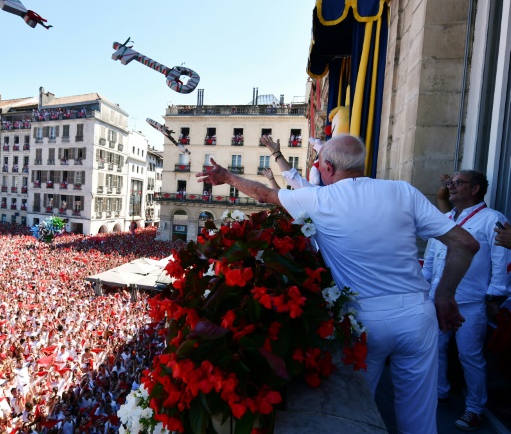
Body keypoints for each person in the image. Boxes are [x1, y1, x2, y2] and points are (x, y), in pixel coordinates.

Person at [197, 134, 479, 434]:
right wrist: (445, 296)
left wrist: (226, 175)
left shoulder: (318, 199)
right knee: (420, 423)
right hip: (417, 317)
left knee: (356, 418)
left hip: (362, 323)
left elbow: (263, 193)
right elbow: (465, 244)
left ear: (328, 167)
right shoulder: (402, 191)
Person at [423, 170, 510, 430]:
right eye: (451, 182)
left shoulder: (493, 219)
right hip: (438, 300)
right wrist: (424, 287)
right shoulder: (445, 219)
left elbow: (501, 260)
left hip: (471, 302)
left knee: (469, 356)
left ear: (475, 189)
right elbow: (430, 258)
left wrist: (495, 295)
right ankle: (440, 391)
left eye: (458, 183)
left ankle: (475, 408)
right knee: (435, 349)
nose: (451, 187)